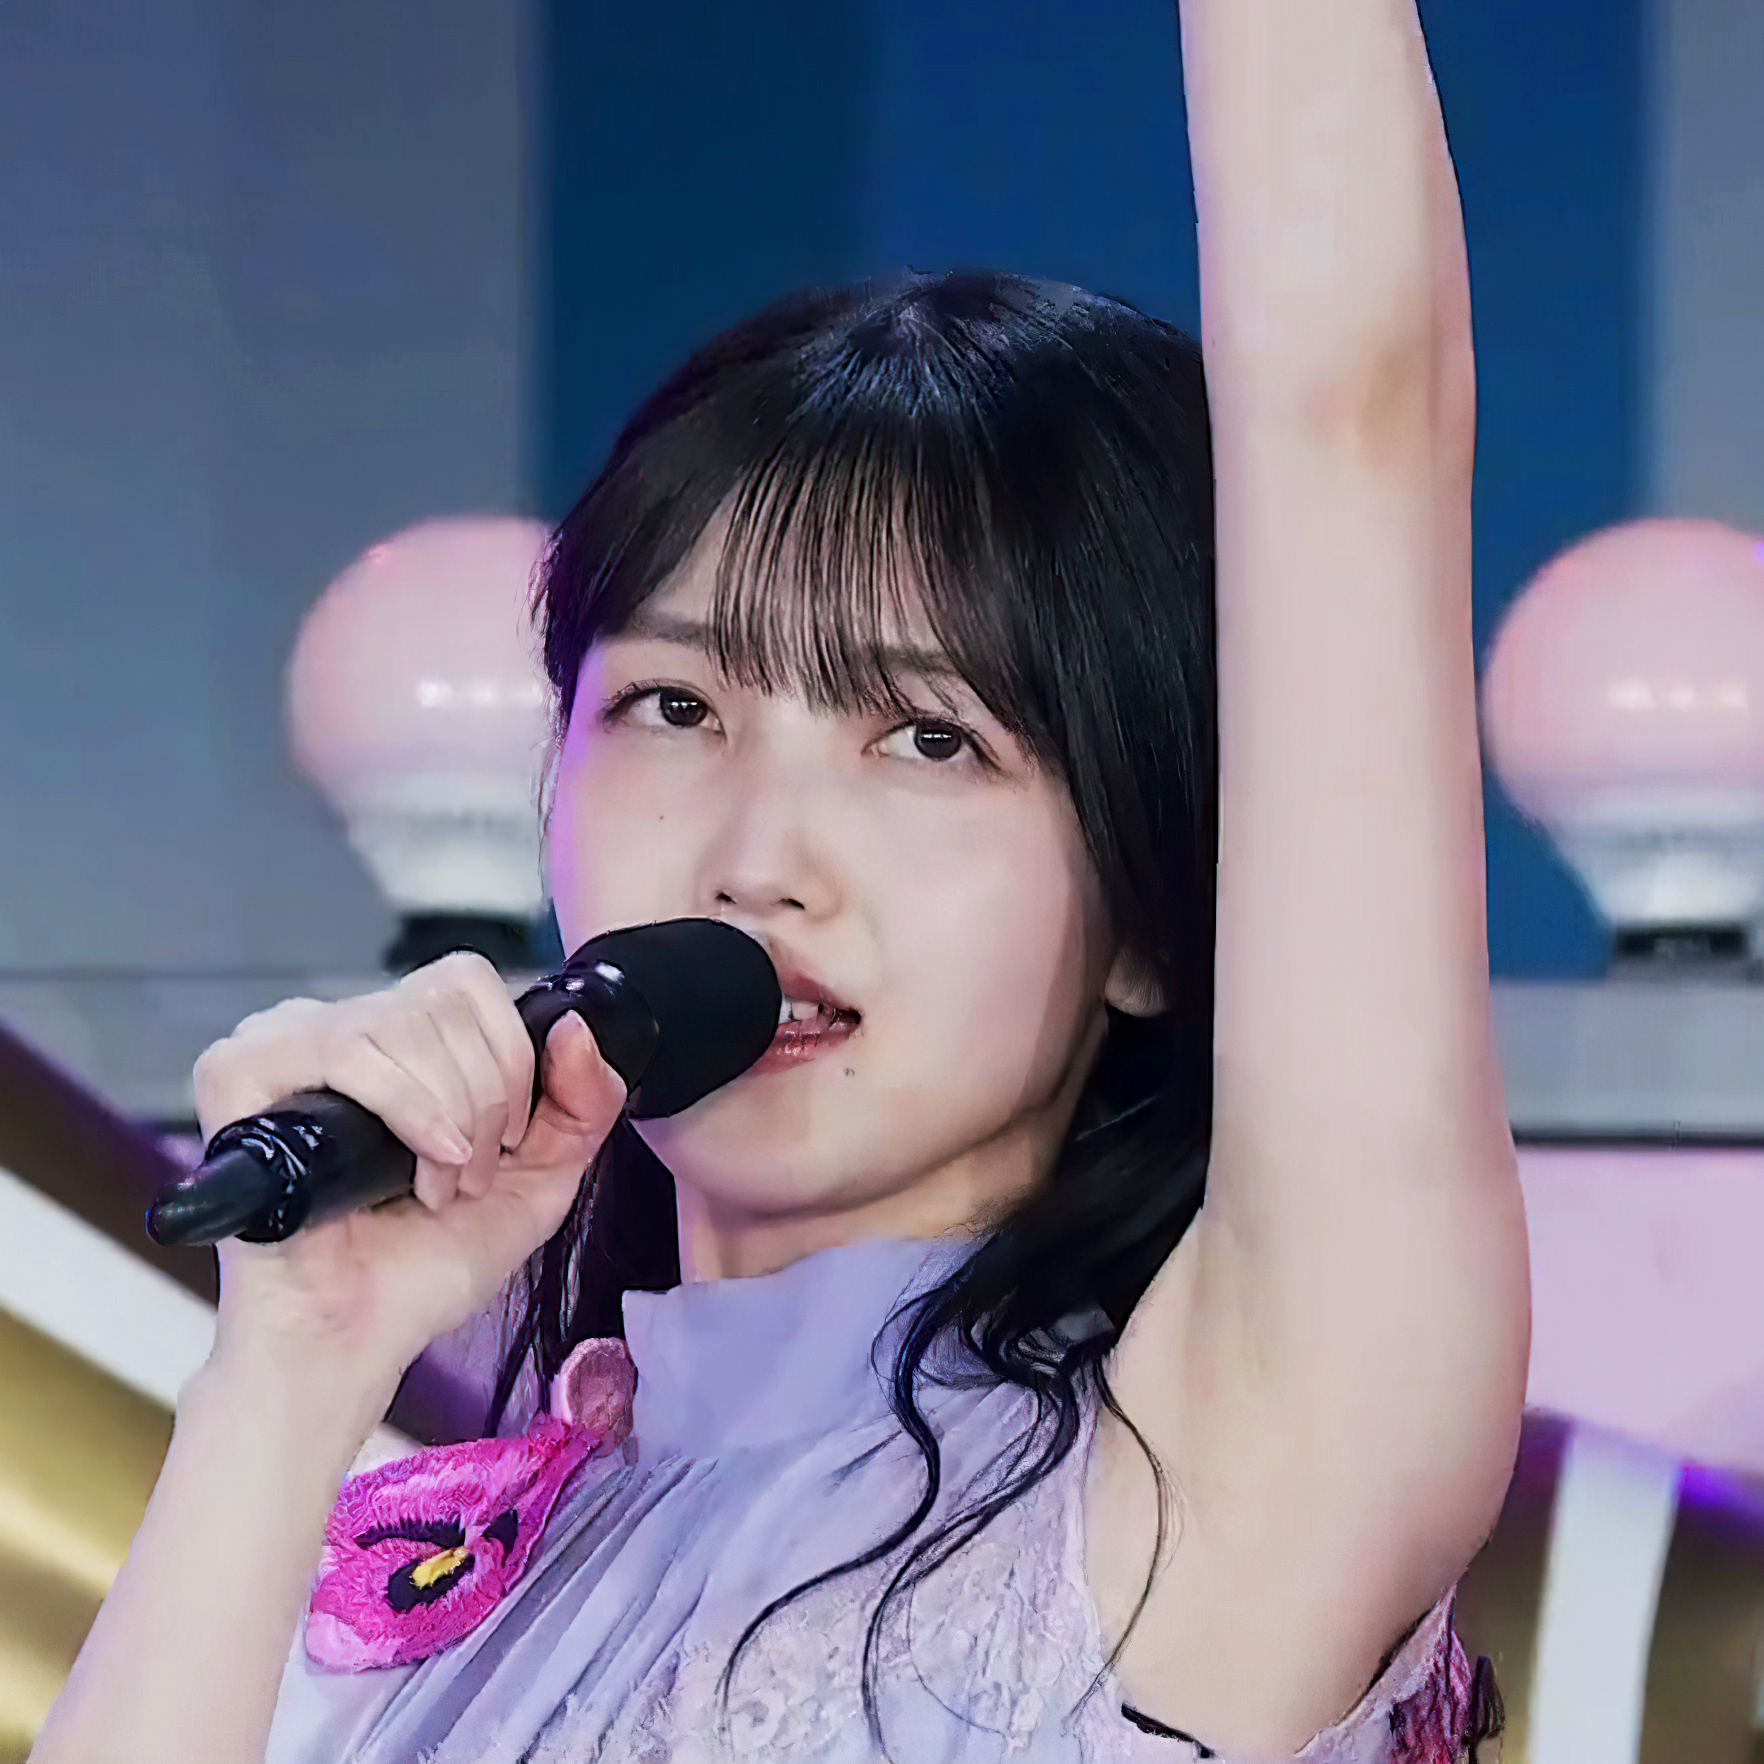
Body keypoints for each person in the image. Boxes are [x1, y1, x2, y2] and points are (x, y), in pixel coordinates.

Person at [31, 0, 1529, 1758]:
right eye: (677, 708)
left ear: (1148, 911)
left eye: (929, 739)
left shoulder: (1226, 1471)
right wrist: (283, 1378)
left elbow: (1354, 414)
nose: (757, 858)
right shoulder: (420, 1582)